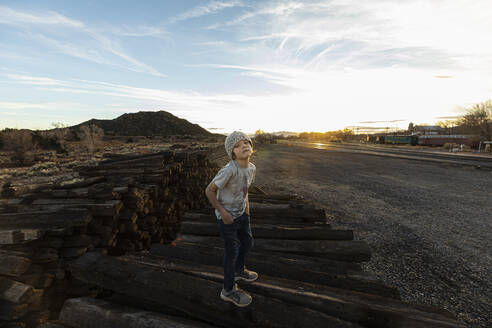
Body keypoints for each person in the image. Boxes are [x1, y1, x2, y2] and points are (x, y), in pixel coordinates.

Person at [205, 131, 258, 307]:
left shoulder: (251, 168)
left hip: (242, 214)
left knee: (248, 243)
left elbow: (245, 191)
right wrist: (222, 212)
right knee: (232, 251)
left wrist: (247, 212)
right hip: (227, 218)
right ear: (232, 152)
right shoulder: (228, 170)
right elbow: (209, 191)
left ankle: (239, 270)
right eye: (237, 145)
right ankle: (227, 290)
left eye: (246, 142)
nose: (243, 146)